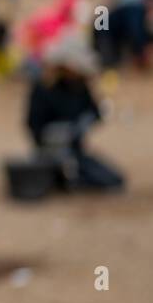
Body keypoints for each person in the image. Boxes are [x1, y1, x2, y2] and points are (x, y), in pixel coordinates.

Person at [26, 34, 124, 192]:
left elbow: (94, 111)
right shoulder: (44, 88)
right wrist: (61, 132)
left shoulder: (80, 86)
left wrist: (86, 121)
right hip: (50, 154)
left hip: (76, 152)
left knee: (114, 180)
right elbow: (33, 125)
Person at [94, 0, 152, 70]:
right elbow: (135, 34)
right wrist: (141, 51)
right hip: (104, 29)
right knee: (108, 65)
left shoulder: (137, 2)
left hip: (109, 28)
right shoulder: (136, 7)